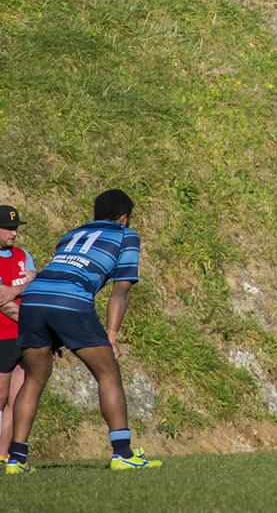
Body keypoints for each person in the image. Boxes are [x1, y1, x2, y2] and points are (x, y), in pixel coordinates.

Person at [4, 189, 161, 472]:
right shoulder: (126, 235)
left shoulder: (71, 234)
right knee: (108, 370)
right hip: (70, 299)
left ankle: (16, 459)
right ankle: (123, 453)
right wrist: (111, 338)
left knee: (34, 378)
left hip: (33, 299)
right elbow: (121, 291)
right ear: (124, 217)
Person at [0, 205, 35, 449]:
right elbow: (1, 303)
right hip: (3, 335)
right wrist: (34, 322)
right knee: (0, 397)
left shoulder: (24, 256)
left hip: (26, 336)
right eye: (9, 228)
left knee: (17, 399)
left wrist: (15, 289)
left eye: (16, 228)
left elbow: (36, 280)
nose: (14, 233)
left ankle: (3, 455)